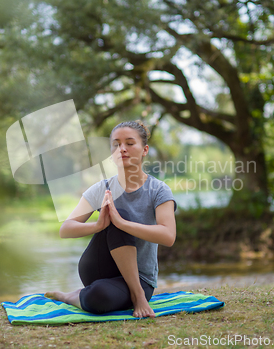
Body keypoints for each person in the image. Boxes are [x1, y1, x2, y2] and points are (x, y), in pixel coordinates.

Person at [45, 120, 177, 318]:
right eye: (116, 144)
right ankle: (124, 296)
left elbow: (168, 236)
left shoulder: (158, 190)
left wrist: (122, 223)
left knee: (98, 298)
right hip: (99, 268)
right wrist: (99, 224)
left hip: (141, 278)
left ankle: (77, 296)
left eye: (130, 143)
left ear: (144, 149)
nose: (122, 149)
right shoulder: (102, 188)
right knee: (116, 213)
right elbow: (66, 229)